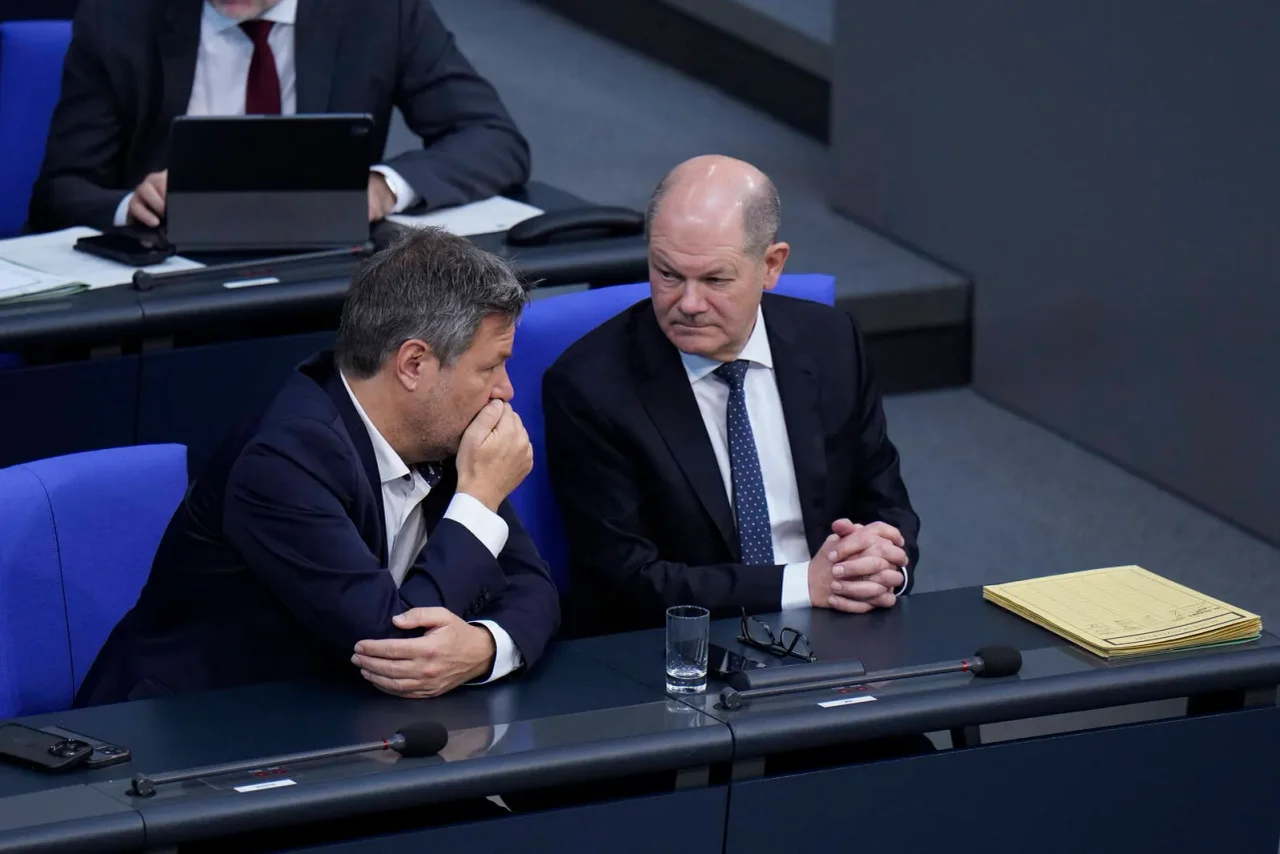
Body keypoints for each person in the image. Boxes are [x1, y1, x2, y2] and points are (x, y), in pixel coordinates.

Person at [75, 227, 558, 706]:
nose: (506, 390)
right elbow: (395, 648)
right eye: (490, 367)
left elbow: (534, 588)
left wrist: (485, 646)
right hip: (186, 727)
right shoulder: (285, 461)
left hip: (328, 712)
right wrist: (478, 500)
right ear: (414, 364)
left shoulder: (443, 431)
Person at [543, 155, 920, 634]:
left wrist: (885, 562)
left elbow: (884, 498)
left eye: (715, 279)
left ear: (771, 265)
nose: (688, 304)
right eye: (667, 274)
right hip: (682, 642)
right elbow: (627, 579)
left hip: (839, 617)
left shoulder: (831, 342)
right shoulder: (590, 385)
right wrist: (803, 585)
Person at [28, 0, 530, 233]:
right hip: (168, 292)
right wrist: (130, 208)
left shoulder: (379, 11)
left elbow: (492, 137)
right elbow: (61, 191)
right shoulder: (118, 17)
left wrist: (381, 187)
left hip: (322, 290)